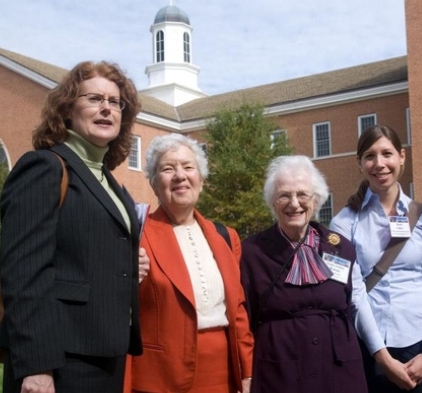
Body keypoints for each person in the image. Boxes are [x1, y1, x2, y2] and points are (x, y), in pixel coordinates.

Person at [0, 60, 144, 392]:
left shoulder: (111, 184)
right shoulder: (45, 168)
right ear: (67, 110)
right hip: (60, 358)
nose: (106, 108)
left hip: (107, 354)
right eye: (94, 99)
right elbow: (24, 274)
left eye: (114, 102)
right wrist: (37, 366)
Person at [330, 125, 422, 392]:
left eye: (387, 153)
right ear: (360, 164)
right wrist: (383, 359)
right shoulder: (343, 222)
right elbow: (352, 293)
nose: (379, 164)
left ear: (402, 157)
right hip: (369, 348)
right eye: (370, 156)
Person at [127, 134, 253, 393]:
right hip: (161, 379)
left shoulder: (225, 236)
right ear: (153, 183)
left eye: (188, 167)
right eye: (167, 168)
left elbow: (238, 311)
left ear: (202, 180)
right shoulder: (136, 235)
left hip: (222, 374)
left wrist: (247, 370)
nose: (180, 176)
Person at [240, 155, 368, 393]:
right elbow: (243, 322)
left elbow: (350, 304)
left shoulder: (341, 247)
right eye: (284, 195)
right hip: (279, 373)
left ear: (316, 199)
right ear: (272, 201)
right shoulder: (251, 253)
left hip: (338, 371)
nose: (294, 203)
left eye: (302, 194)